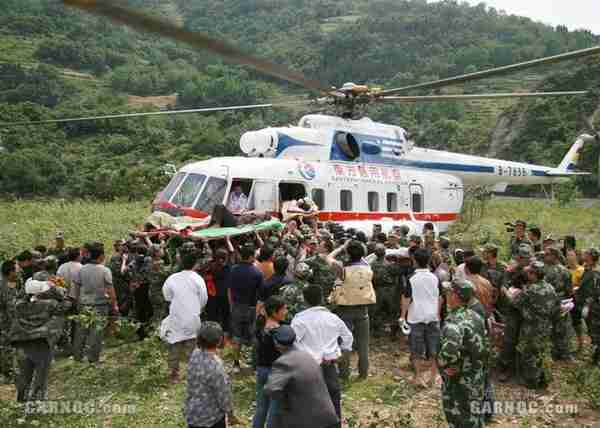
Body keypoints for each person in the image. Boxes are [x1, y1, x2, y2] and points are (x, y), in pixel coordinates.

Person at [292, 285, 353, 425]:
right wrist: (342, 356)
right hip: (329, 366)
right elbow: (348, 337)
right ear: (321, 299)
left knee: (309, 406)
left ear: (305, 300)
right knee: (333, 405)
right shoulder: (333, 318)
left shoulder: (299, 320)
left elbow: (292, 342)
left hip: (308, 368)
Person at [265, 325, 340, 428]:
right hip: (329, 418)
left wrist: (286, 402)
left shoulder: (282, 362)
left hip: (308, 422)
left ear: (276, 344)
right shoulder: (308, 356)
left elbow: (271, 389)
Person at [10, 279, 71, 401]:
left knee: (25, 373)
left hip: (22, 342)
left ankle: (21, 399)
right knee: (41, 373)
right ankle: (36, 401)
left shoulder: (18, 305)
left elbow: (20, 297)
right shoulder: (50, 304)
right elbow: (67, 304)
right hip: (40, 342)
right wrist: (55, 289)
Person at [438, 279, 488, 428]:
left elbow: (450, 350)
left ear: (455, 296)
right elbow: (485, 343)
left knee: (459, 417)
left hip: (459, 379)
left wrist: (442, 364)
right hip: (476, 375)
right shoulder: (476, 316)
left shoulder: (454, 321)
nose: (446, 295)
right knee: (474, 414)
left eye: (448, 292)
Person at [327, 240, 376, 380]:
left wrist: (341, 247)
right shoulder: (367, 267)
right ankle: (363, 373)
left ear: (348, 253)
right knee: (363, 344)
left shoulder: (342, 269)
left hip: (345, 309)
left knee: (345, 342)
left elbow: (328, 258)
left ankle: (344, 373)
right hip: (363, 309)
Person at [504, 261, 558, 389]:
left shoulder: (531, 289)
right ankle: (543, 378)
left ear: (534, 275)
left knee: (528, 353)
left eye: (529, 273)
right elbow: (556, 306)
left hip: (531, 326)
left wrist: (505, 291)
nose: (527, 275)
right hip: (545, 325)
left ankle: (531, 381)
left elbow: (514, 302)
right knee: (541, 351)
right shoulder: (550, 287)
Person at [161, 251, 208, 383]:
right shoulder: (198, 279)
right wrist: (197, 307)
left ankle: (174, 374)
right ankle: (193, 372)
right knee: (192, 345)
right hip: (193, 316)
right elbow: (204, 299)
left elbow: (167, 296)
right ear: (195, 264)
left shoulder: (172, 278)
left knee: (174, 343)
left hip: (176, 315)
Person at [400, 248, 442, 387]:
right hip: (432, 316)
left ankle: (418, 377)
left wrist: (402, 315)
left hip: (416, 316)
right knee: (434, 349)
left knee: (416, 349)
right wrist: (438, 313)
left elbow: (406, 298)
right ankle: (433, 377)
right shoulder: (435, 277)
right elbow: (440, 297)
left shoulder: (412, 278)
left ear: (414, 261)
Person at [72, 244, 119, 364]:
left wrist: (77, 301)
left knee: (81, 332)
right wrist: (114, 305)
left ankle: (78, 357)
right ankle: (93, 359)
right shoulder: (104, 270)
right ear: (101, 256)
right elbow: (110, 289)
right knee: (96, 333)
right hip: (100, 305)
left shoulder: (81, 269)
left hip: (84, 304)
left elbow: (76, 287)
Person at [185, 321, 237, 428]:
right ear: (219, 341)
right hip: (211, 419)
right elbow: (223, 395)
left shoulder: (195, 354)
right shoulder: (216, 367)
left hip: (193, 413)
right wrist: (230, 414)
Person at [227, 243, 263, 372]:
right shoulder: (257, 273)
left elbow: (229, 290)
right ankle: (255, 365)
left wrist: (231, 305)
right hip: (252, 308)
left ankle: (236, 363)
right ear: (250, 257)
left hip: (236, 306)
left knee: (236, 336)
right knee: (254, 336)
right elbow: (260, 295)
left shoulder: (233, 269)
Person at [498, 245, 531, 382]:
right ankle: (506, 368)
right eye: (521, 257)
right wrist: (508, 292)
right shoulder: (511, 271)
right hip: (513, 311)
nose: (523, 259)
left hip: (528, 312)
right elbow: (503, 286)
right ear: (517, 257)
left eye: (526, 257)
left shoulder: (533, 270)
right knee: (509, 340)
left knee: (526, 340)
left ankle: (523, 369)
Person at [253, 296, 286, 428]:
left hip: (262, 370)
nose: (286, 312)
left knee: (261, 407)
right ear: (274, 312)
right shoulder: (279, 331)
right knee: (275, 409)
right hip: (276, 372)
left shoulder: (260, 327)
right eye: (283, 309)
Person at [544, 246, 573, 360]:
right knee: (560, 329)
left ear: (554, 256)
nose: (545, 256)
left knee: (556, 328)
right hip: (559, 302)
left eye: (547, 254)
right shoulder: (565, 270)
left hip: (552, 302)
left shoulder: (545, 270)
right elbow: (569, 291)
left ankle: (557, 353)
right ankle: (561, 352)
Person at [576, 248, 600, 365]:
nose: (583, 254)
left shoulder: (595, 272)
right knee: (592, 331)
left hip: (593, 307)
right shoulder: (588, 268)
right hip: (587, 305)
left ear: (590, 256)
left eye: (585, 253)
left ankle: (595, 359)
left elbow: (595, 291)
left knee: (595, 332)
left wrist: (587, 305)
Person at [0, 260, 18, 384]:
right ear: (10, 271)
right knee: (6, 347)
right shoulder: (6, 285)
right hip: (4, 321)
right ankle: (7, 374)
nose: (17, 272)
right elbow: (10, 307)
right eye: (15, 270)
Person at [566, 248, 585, 352]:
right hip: (566, 298)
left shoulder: (581, 270)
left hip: (576, 299)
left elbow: (583, 286)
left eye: (571, 255)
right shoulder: (565, 269)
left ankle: (581, 343)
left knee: (576, 322)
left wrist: (575, 288)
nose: (569, 257)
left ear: (577, 257)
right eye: (568, 255)